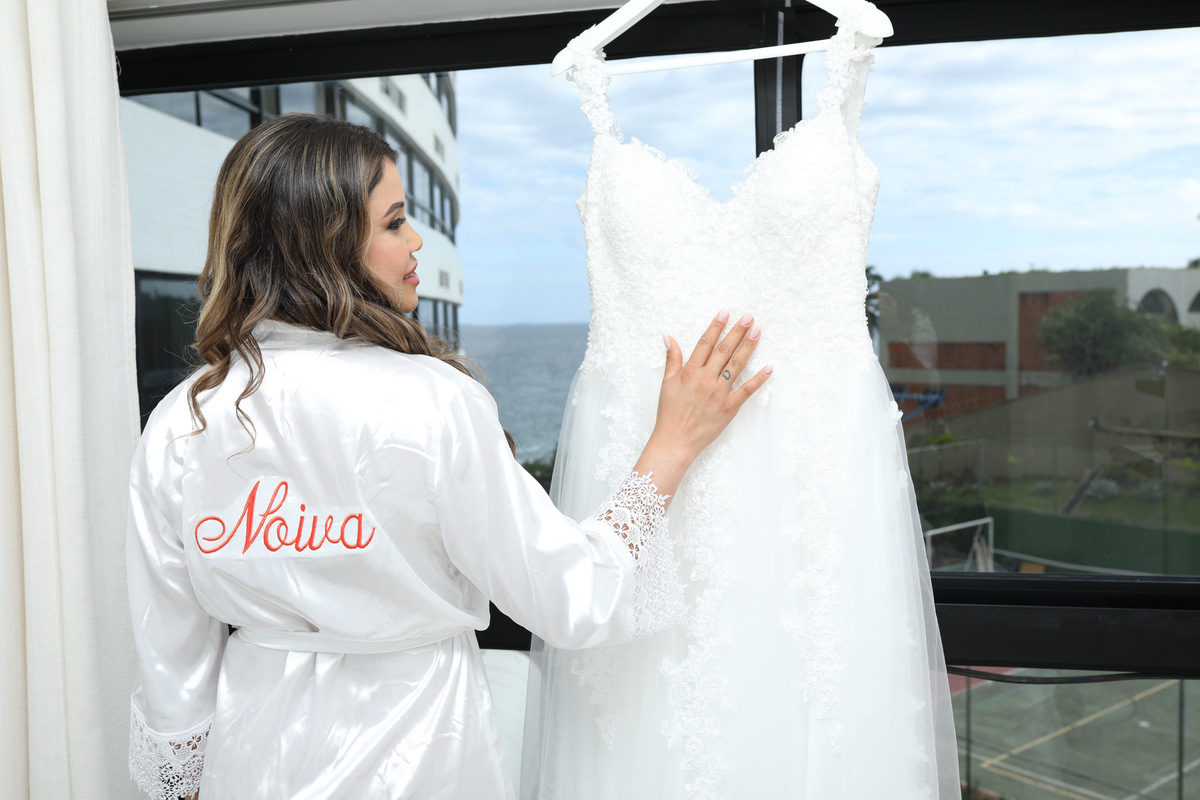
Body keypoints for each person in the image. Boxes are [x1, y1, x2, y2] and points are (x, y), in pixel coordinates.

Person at [126, 113, 771, 800]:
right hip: (418, 753)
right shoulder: (433, 402)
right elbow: (571, 595)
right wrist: (672, 444)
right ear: (327, 243)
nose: (416, 241)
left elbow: (172, 672)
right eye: (395, 221)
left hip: (251, 763)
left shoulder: (181, 422)